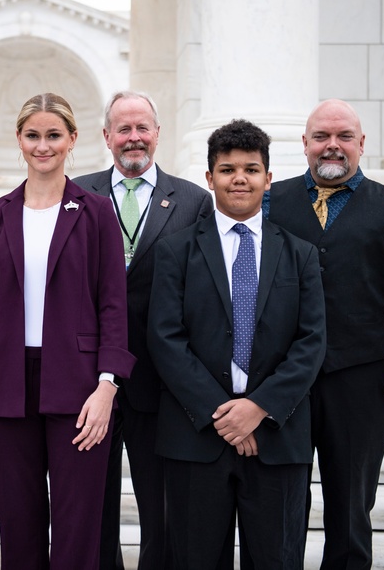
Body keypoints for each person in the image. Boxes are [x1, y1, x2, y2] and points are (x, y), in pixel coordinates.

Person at [0, 93, 136, 570]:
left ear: (73, 140)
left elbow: (113, 305)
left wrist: (108, 386)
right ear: (19, 140)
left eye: (53, 136)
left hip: (81, 386)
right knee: (18, 527)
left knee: (78, 529)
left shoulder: (97, 211)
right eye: (34, 136)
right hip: (7, 386)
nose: (43, 146)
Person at [265, 99, 384, 569]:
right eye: (322, 136)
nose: (332, 146)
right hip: (282, 381)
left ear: (362, 144)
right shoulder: (267, 202)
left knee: (352, 505)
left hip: (361, 379)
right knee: (280, 504)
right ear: (304, 144)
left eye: (344, 137)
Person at [148, 119, 326, 569]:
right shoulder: (176, 251)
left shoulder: (300, 254)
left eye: (251, 169)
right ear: (209, 179)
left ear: (268, 177)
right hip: (196, 437)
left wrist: (257, 408)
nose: (239, 178)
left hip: (277, 437)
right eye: (227, 170)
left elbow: (311, 341)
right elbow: (165, 338)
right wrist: (224, 414)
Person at [73, 90, 213, 570]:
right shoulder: (76, 193)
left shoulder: (195, 201)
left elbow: (203, 293)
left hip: (163, 380)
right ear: (107, 136)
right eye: (124, 129)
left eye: (143, 128)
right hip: (90, 382)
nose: (134, 138)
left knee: (164, 509)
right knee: (94, 507)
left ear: (158, 133)